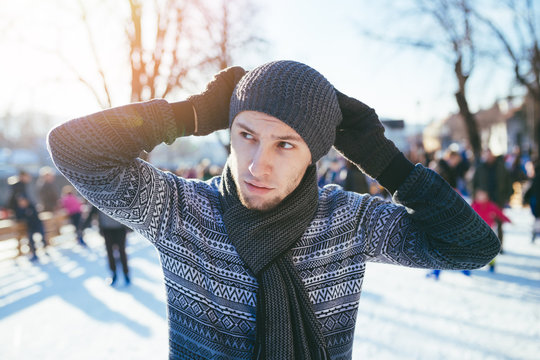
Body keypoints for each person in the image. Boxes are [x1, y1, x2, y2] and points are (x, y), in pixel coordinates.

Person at [48, 60, 500, 360]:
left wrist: (387, 164)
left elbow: (470, 247)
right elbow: (73, 148)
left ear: (314, 155)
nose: (256, 164)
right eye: (246, 135)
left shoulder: (350, 222)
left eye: (285, 144)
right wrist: (189, 114)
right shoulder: (180, 212)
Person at [473, 148, 513, 252]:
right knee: (484, 224)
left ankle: (499, 246)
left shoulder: (501, 167)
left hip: (498, 198)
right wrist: (476, 195)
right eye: (486, 155)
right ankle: (483, 246)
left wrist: (507, 197)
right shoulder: (480, 167)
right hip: (483, 200)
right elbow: (474, 183)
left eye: (490, 154)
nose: (488, 157)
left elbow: (508, 182)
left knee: (499, 224)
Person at [471, 189, 511, 272]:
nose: (481, 197)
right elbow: (468, 215)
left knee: (489, 249)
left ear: (487, 197)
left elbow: (499, 213)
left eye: (483, 195)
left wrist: (507, 220)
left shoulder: (490, 205)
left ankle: (492, 263)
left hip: (489, 231)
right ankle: (473, 263)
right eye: (479, 196)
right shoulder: (474, 205)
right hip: (476, 231)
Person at [98, 210, 130, 286]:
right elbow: (93, 209)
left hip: (120, 228)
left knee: (122, 252)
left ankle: (126, 275)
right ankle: (114, 274)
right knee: (110, 253)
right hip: (107, 229)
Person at [14, 196, 46, 261]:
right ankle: (34, 254)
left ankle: (45, 248)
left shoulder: (31, 206)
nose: (22, 203)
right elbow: (18, 218)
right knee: (31, 241)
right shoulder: (20, 210)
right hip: (30, 227)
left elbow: (36, 216)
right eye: (20, 202)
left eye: (23, 201)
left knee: (43, 237)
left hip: (37, 225)